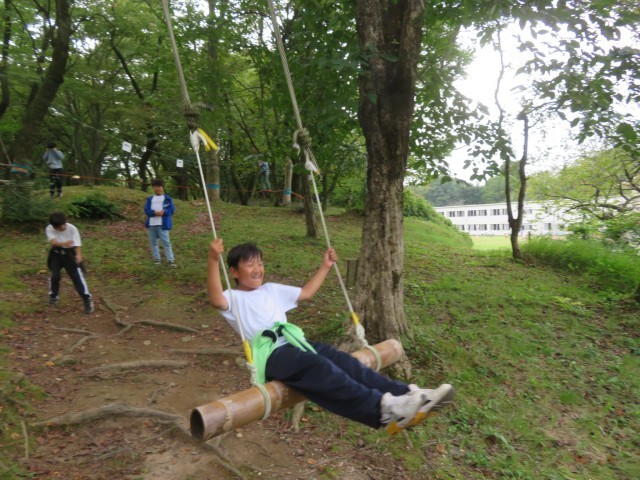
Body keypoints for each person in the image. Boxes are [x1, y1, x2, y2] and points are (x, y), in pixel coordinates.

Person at [208, 238, 455, 431]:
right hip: (272, 354)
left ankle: (408, 395)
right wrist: (212, 260)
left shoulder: (271, 290)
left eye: (260, 263)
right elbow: (216, 299)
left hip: (297, 344)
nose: (258, 269)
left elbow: (306, 293)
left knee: (342, 360)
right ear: (234, 272)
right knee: (320, 368)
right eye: (250, 264)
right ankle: (383, 410)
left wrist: (325, 266)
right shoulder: (233, 298)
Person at [45, 212, 94, 314]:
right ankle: (53, 295)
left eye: (63, 224)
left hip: (69, 254)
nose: (62, 227)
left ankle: (87, 299)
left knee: (76, 277)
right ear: (54, 226)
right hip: (56, 254)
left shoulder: (72, 229)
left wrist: (78, 255)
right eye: (59, 227)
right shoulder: (49, 228)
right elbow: (53, 242)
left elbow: (77, 244)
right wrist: (64, 243)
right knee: (55, 276)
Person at [144, 178, 177, 267]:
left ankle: (170, 260)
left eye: (159, 186)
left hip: (163, 224)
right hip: (152, 224)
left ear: (162, 187)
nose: (157, 188)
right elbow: (146, 210)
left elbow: (171, 209)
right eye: (155, 186)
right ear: (153, 188)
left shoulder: (167, 198)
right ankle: (157, 260)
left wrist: (164, 212)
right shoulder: (150, 199)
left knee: (166, 242)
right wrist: (154, 212)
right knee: (154, 243)